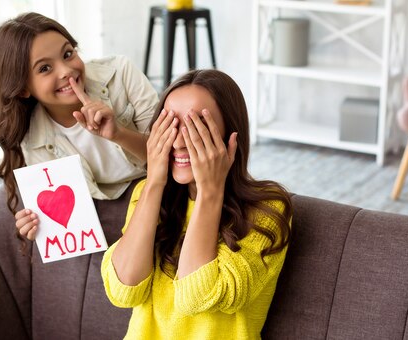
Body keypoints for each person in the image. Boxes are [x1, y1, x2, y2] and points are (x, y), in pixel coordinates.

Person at [101, 69, 293, 339]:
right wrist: (155, 181)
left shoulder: (268, 210)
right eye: (170, 125)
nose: (178, 141)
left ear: (230, 134)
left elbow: (197, 296)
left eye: (195, 127)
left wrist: (210, 191)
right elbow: (123, 290)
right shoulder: (147, 195)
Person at [0, 12, 158, 239]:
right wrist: (36, 224)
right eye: (44, 68)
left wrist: (118, 134)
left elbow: (167, 154)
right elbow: (70, 215)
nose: (67, 71)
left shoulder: (121, 73)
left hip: (158, 183)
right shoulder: (33, 141)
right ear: (22, 88)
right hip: (111, 211)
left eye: (68, 54)